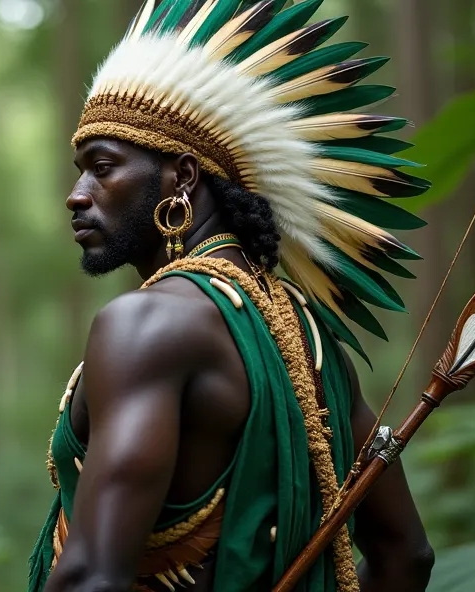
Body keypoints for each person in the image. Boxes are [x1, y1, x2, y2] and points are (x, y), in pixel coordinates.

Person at [28, 1, 435, 591]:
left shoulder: (143, 326)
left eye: (102, 167)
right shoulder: (315, 342)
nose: (77, 194)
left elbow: (92, 575)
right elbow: (408, 558)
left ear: (183, 177)